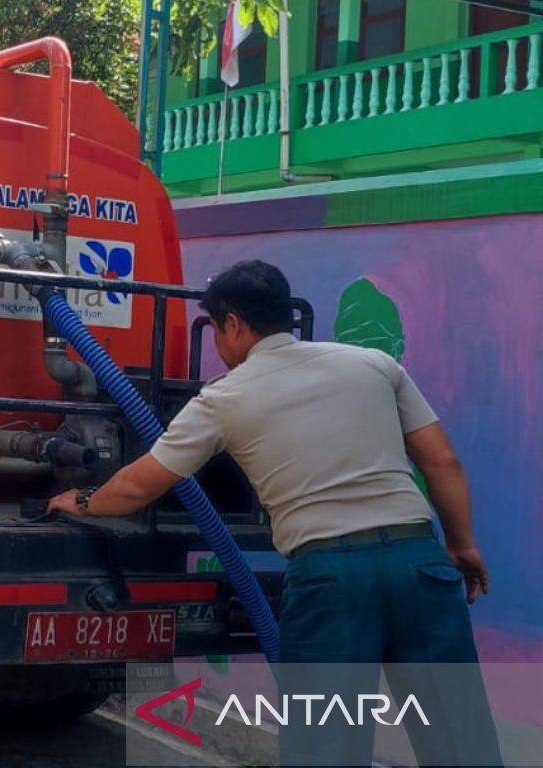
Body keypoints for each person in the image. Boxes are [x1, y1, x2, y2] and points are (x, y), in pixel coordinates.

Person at [48, 260, 498, 765]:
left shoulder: (224, 397)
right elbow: (442, 461)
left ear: (233, 324)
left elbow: (134, 487)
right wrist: (461, 547)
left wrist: (82, 500)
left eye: (217, 331)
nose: (219, 346)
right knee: (462, 739)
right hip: (419, 565)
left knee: (325, 746)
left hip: (331, 579)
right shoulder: (372, 364)